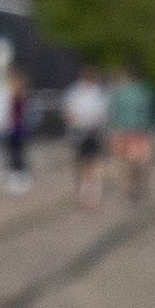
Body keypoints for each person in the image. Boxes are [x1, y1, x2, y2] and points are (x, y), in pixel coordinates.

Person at [107, 63, 155, 204]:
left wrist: (113, 132)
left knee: (126, 164)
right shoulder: (147, 91)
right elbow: (154, 112)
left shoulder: (121, 92)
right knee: (141, 162)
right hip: (141, 132)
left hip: (124, 132)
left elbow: (113, 113)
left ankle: (128, 187)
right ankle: (136, 185)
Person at [63, 66, 111, 208]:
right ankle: (84, 190)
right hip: (78, 132)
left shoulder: (98, 93)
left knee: (93, 163)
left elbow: (103, 114)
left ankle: (92, 193)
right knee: (81, 163)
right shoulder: (74, 92)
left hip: (93, 132)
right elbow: (68, 113)